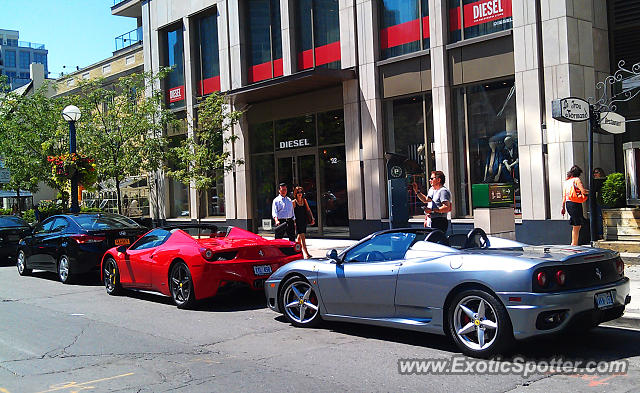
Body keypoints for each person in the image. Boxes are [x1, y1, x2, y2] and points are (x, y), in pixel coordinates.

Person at [561, 165, 589, 246]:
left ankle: (574, 243)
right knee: (577, 225)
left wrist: (563, 207)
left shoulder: (566, 182)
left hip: (568, 203)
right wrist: (590, 192)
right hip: (575, 203)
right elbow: (583, 191)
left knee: (575, 224)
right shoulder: (577, 180)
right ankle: (574, 244)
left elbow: (564, 196)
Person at [292, 186, 315, 259]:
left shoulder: (304, 200)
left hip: (304, 220)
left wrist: (312, 218)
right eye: (298, 192)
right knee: (302, 237)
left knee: (299, 238)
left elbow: (308, 210)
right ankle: (306, 253)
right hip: (298, 221)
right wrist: (293, 222)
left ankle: (296, 250)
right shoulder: (294, 202)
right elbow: (291, 213)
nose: (300, 194)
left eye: (301, 192)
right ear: (295, 193)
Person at [593, 167, 607, 239]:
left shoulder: (604, 181)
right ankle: (600, 234)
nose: (595, 174)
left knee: (604, 218)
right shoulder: (594, 182)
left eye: (596, 172)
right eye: (594, 173)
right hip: (598, 201)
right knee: (599, 217)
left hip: (604, 201)